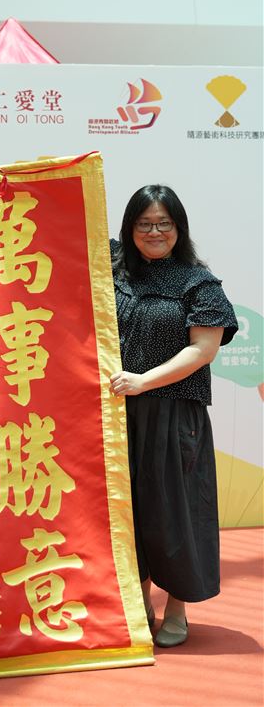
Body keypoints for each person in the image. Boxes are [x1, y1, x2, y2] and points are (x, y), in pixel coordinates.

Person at [108, 184, 237, 648]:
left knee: (174, 513)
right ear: (129, 228)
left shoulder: (198, 283)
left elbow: (203, 349)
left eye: (164, 223)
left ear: (179, 227)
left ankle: (177, 608)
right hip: (116, 414)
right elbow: (57, 232)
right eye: (144, 223)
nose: (155, 232)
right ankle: (139, 600)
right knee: (126, 511)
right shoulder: (111, 266)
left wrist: (144, 380)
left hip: (175, 414)